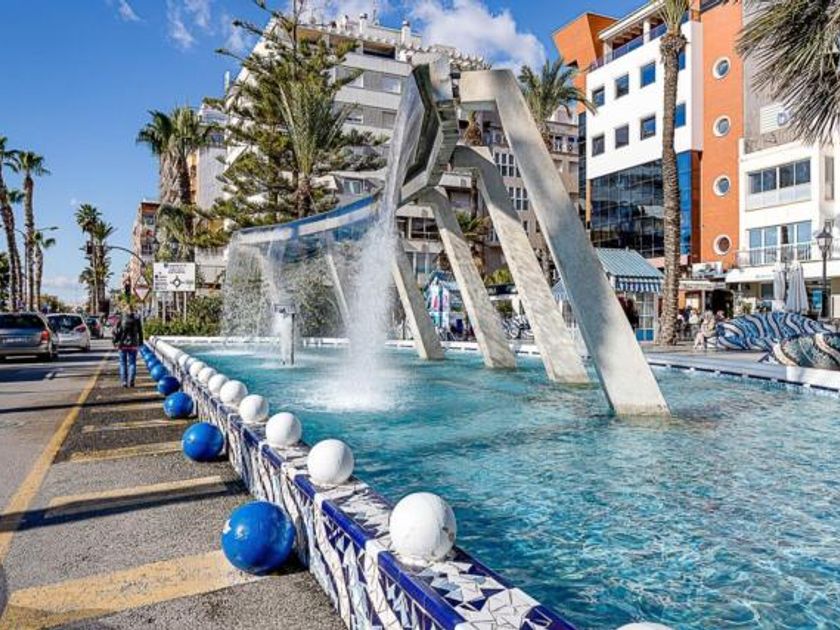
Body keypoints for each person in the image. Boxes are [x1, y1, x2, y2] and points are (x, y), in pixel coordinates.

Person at [113, 307, 144, 387]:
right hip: (133, 345)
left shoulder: (121, 319)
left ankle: (124, 381)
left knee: (123, 363)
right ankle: (131, 381)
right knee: (132, 363)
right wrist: (141, 342)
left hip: (122, 345)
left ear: (125, 310)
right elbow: (140, 332)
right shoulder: (136, 319)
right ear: (133, 311)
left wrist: (115, 342)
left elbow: (115, 331)